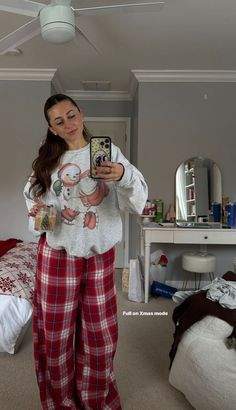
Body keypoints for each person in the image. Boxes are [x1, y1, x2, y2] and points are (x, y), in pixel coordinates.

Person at [23, 93, 148, 410]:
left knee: (99, 338)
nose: (68, 124)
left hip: (99, 257)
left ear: (82, 114)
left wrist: (121, 174)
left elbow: (137, 199)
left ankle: (95, 401)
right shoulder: (47, 163)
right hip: (57, 256)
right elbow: (33, 203)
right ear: (52, 128)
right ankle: (61, 403)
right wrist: (40, 213)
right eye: (59, 121)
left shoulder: (107, 154)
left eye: (72, 115)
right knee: (56, 337)